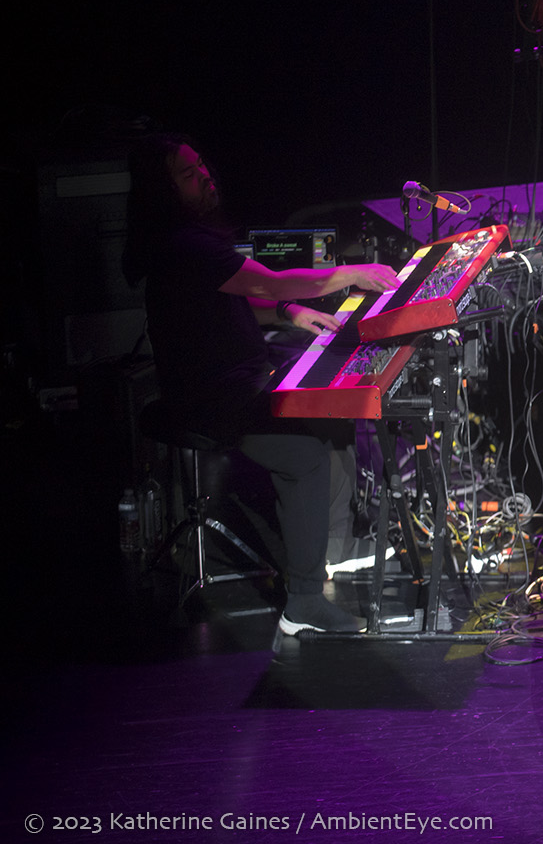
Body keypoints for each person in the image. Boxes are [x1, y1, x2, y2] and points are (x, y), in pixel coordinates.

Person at [122, 133, 400, 634]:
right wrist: (349, 274)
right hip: (213, 396)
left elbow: (243, 296)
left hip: (236, 375)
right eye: (188, 174)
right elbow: (267, 281)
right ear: (163, 191)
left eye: (201, 164)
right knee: (305, 456)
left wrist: (291, 311)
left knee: (327, 403)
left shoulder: (184, 238)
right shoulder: (184, 244)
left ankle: (328, 549)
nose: (204, 175)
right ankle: (305, 601)